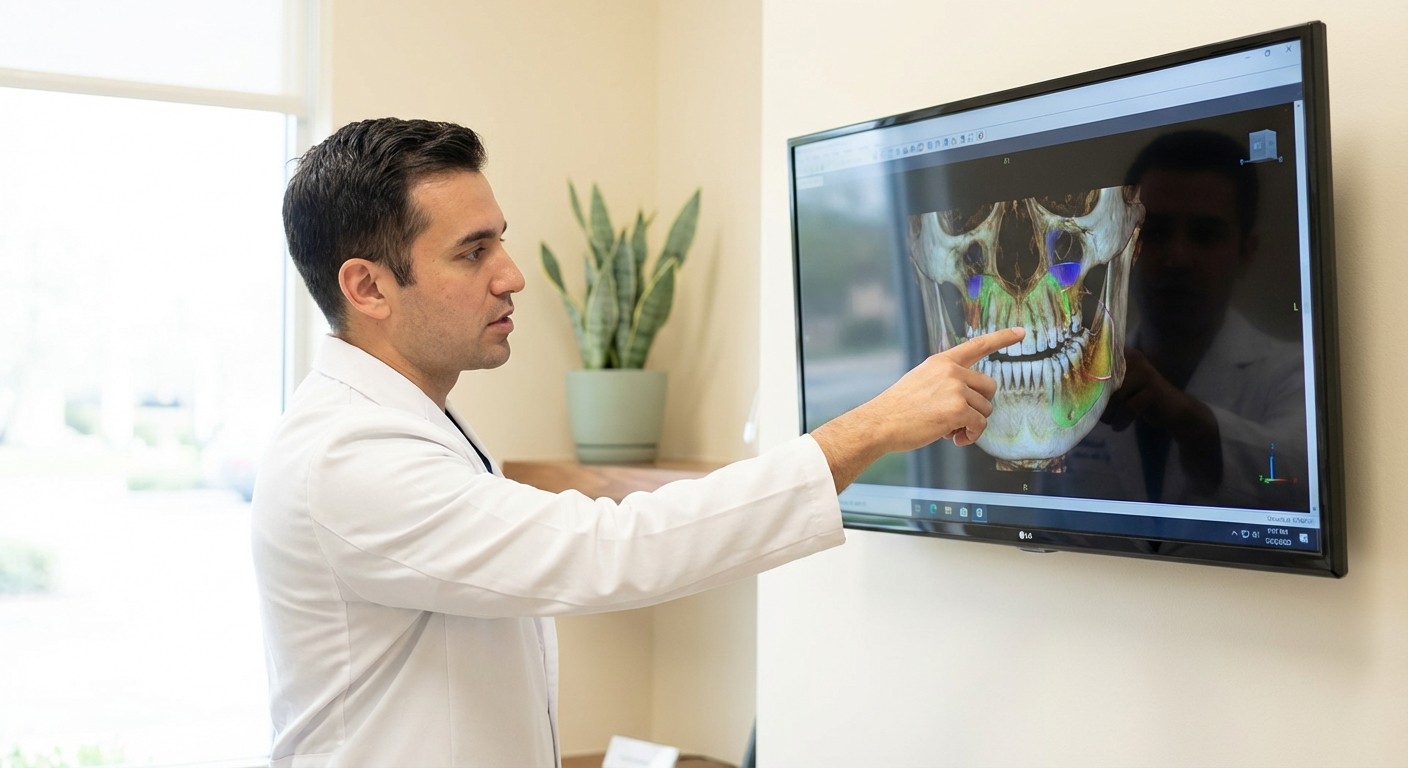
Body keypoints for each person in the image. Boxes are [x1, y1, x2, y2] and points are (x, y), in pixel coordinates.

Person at [251, 117, 1023, 767]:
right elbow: (606, 551)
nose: (513, 275)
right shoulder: (346, 459)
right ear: (368, 287)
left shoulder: (408, 428)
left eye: (502, 243)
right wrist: (873, 426)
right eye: (473, 251)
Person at [1074, 128, 1307, 508]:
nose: (1178, 258)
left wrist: (1177, 412)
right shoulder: (1075, 380)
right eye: (1156, 232)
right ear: (1123, 245)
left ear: (1246, 253)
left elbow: (1300, 479)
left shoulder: (1293, 374)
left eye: (1205, 234)